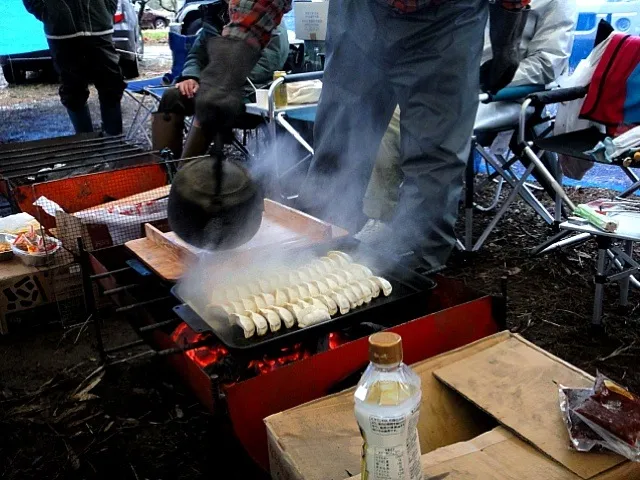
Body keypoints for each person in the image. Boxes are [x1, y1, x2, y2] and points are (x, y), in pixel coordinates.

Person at [192, 0, 529, 272]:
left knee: (434, 165)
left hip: (449, 18)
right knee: (338, 148)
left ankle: (415, 280)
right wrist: (230, 61)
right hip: (361, 13)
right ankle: (320, 260)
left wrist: (508, 33)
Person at [359, 0, 578, 237]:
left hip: (502, 94)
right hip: (443, 82)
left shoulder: (558, 2)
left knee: (419, 128)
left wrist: (475, 79)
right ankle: (380, 217)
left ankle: (413, 231)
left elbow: (548, 63)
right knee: (381, 121)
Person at [152, 2, 289, 159]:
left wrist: (214, 81)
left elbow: (267, 64)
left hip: (249, 94)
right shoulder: (216, 16)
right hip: (212, 84)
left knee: (211, 103)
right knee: (172, 97)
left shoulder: (267, 15)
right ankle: (163, 172)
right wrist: (191, 76)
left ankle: (184, 176)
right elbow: (197, 54)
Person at [22, 0, 125, 136]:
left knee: (112, 85)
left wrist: (106, 9)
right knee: (73, 92)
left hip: (99, 28)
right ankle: (86, 142)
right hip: (61, 33)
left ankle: (114, 140)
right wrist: (46, 12)